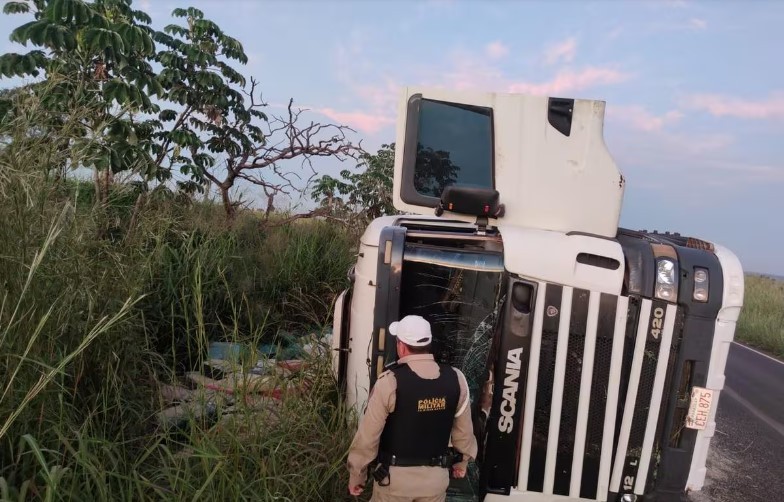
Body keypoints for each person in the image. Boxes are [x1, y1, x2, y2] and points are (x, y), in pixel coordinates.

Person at [347, 314, 478, 501]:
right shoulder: (456, 379)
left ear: (401, 345)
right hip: (434, 483)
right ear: (428, 343)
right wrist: (463, 462)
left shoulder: (390, 382)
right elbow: (464, 433)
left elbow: (368, 437)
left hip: (394, 484)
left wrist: (357, 475)